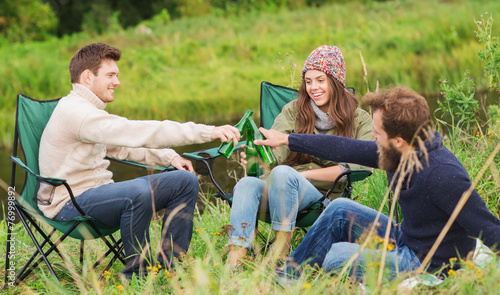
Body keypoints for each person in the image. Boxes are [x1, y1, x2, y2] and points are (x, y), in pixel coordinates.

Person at [37, 43, 241, 279]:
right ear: (87, 77)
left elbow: (121, 147)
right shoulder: (77, 113)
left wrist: (169, 156)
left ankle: (170, 265)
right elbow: (138, 131)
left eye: (117, 75)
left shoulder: (88, 112)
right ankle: (137, 274)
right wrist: (208, 131)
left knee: (185, 181)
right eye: (110, 75)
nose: (117, 82)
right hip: (69, 203)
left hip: (99, 193)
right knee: (137, 192)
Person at [255, 86, 500, 281]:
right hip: (406, 237)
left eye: (377, 133)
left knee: (337, 258)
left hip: (428, 263)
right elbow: (345, 148)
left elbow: (488, 227)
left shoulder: (443, 175)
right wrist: (287, 138)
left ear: (399, 140)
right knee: (339, 209)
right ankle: (288, 276)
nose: (372, 137)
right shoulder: (400, 152)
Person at [227, 45, 373, 267]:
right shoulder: (294, 110)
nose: (313, 87)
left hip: (321, 196)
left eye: (320, 80)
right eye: (308, 81)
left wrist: (304, 177)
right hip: (278, 187)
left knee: (285, 174)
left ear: (336, 81)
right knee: (247, 183)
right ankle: (236, 260)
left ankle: (281, 252)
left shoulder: (360, 119)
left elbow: (359, 166)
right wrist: (258, 157)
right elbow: (276, 153)